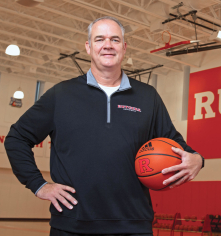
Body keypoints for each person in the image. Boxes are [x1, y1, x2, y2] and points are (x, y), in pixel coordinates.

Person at [4, 16, 204, 236]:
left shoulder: (148, 97)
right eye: (100, 39)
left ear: (124, 48)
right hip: (72, 226)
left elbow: (173, 142)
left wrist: (197, 158)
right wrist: (38, 184)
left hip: (133, 225)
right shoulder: (61, 95)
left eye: (115, 39)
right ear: (88, 47)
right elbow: (17, 138)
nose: (107, 45)